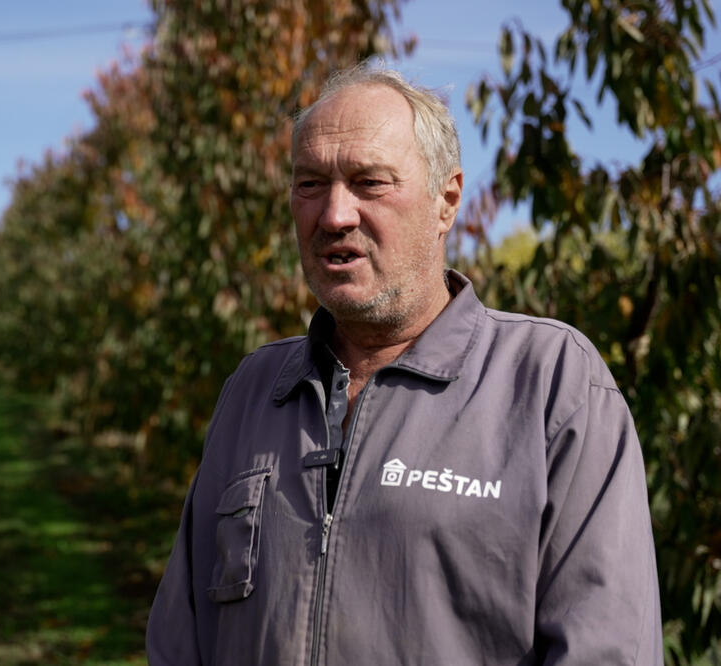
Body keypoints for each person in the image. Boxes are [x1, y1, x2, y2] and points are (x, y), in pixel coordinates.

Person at [146, 64, 662, 665]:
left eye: (369, 182)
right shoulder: (254, 391)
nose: (334, 214)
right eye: (309, 183)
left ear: (446, 202)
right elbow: (180, 638)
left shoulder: (550, 385)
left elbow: (606, 650)